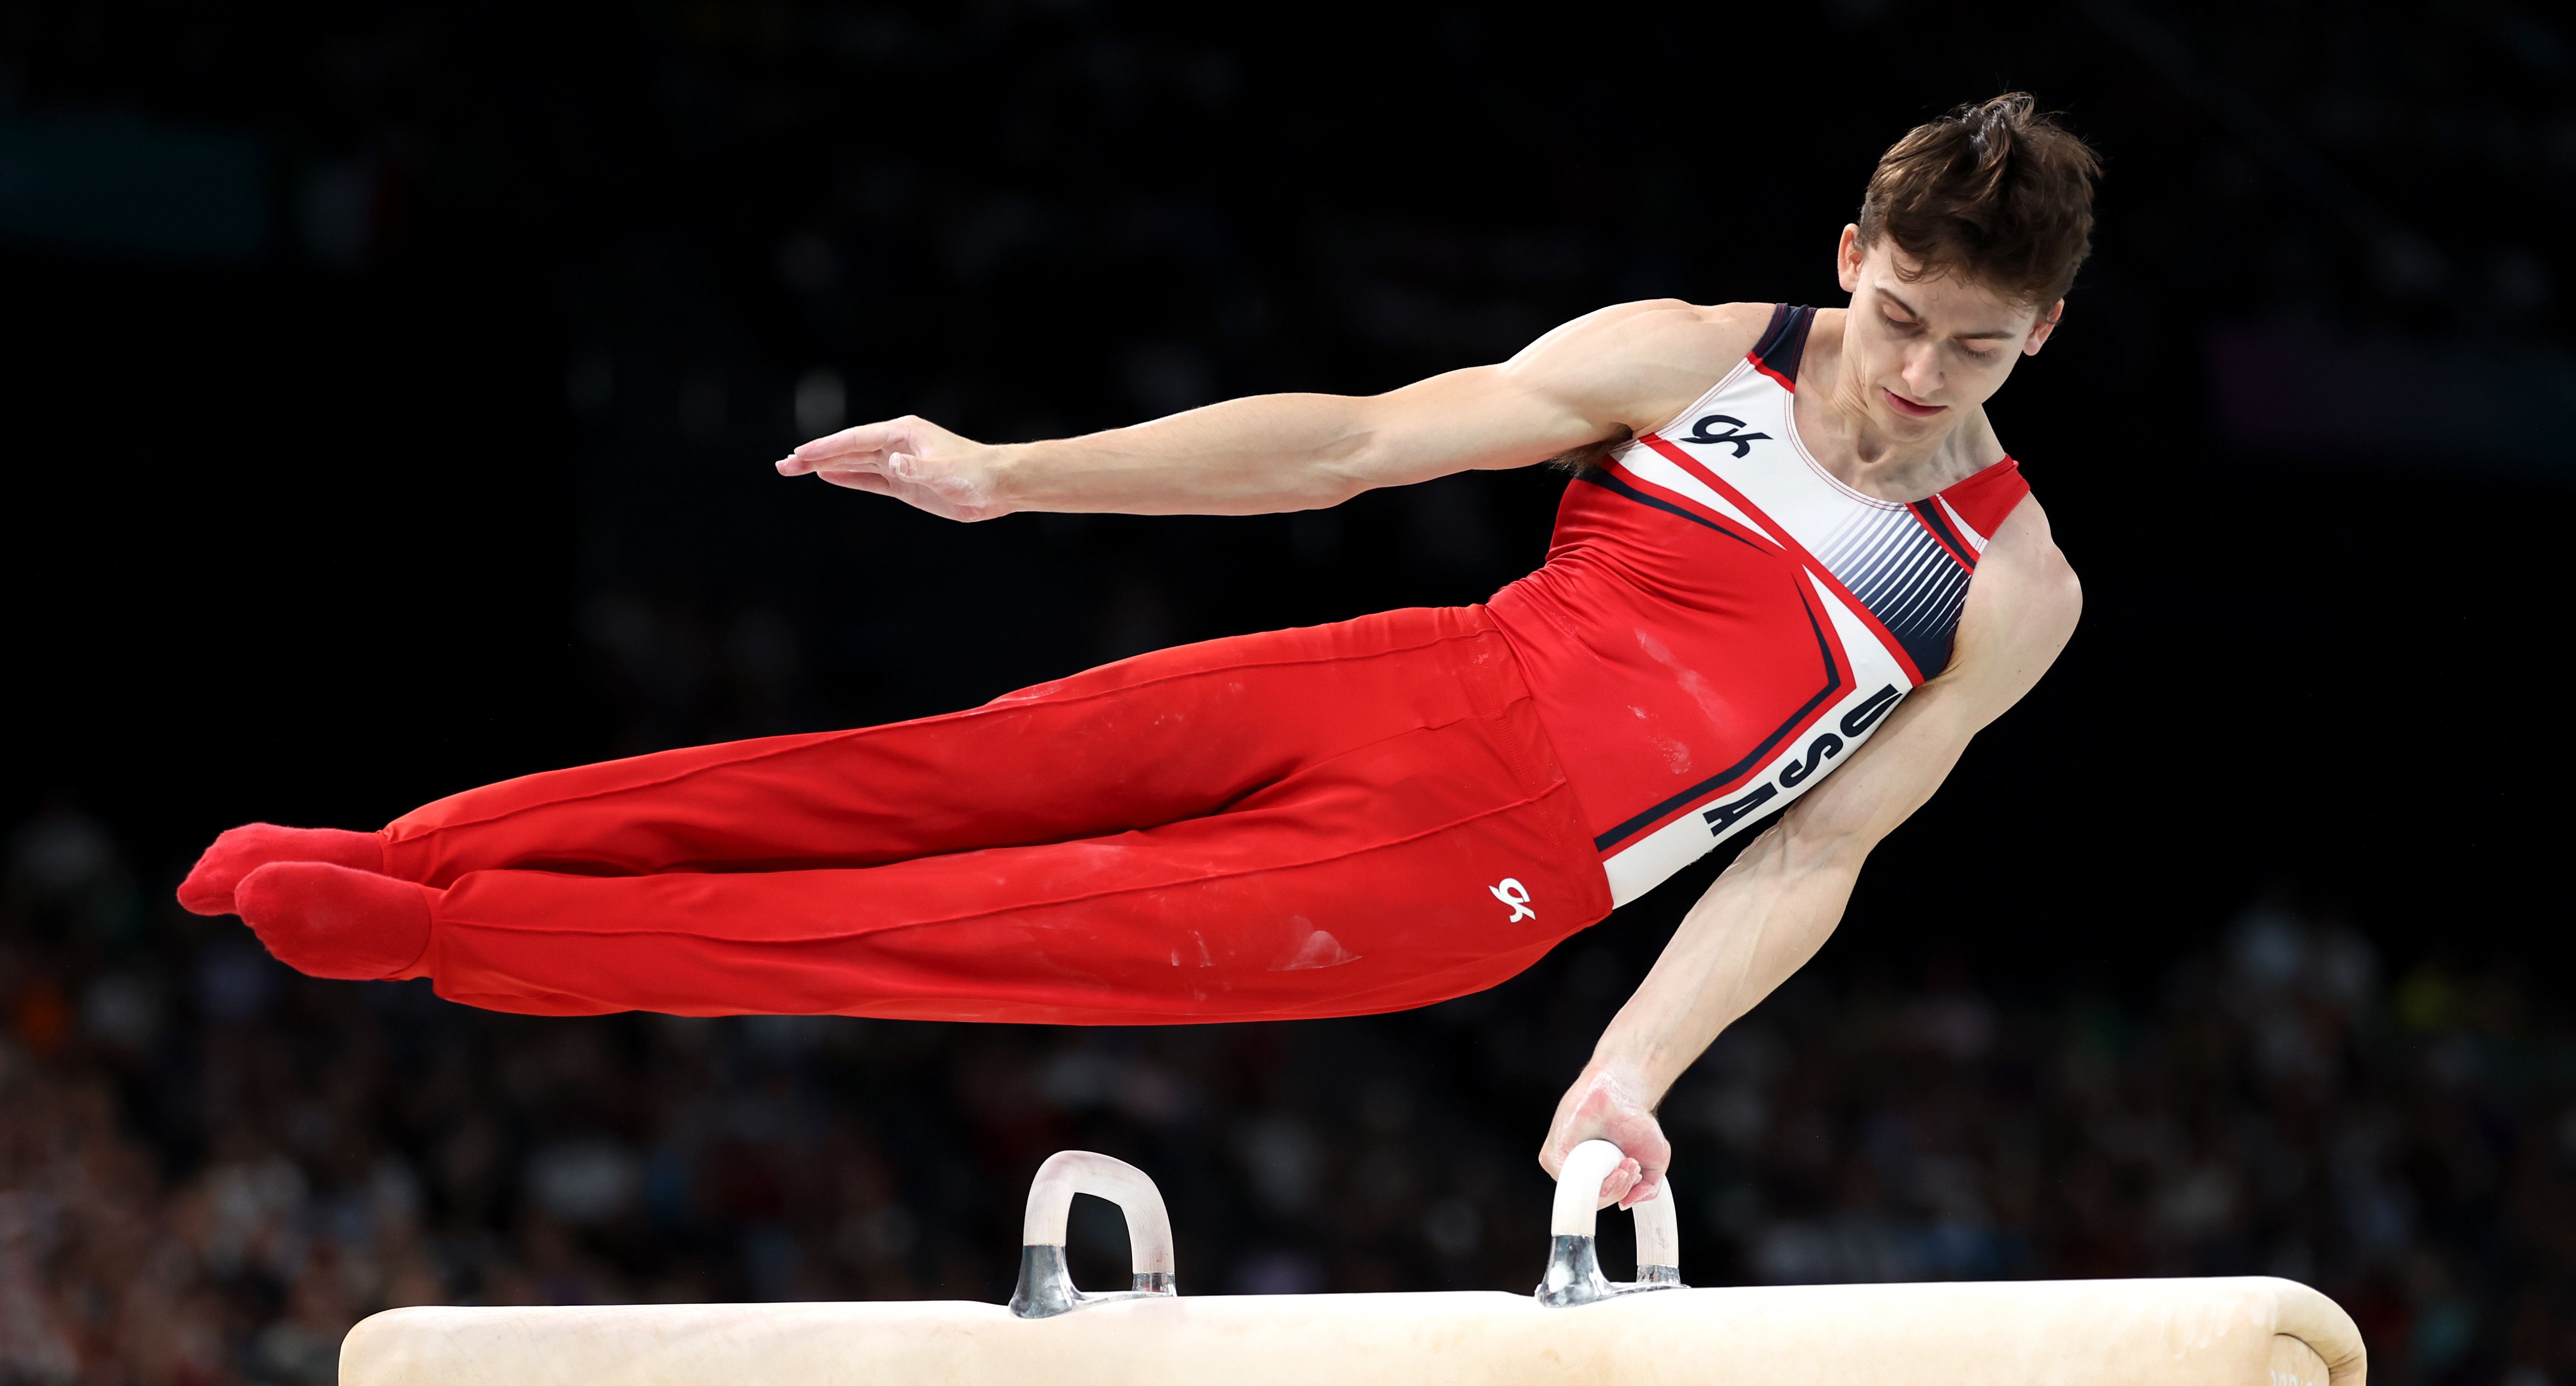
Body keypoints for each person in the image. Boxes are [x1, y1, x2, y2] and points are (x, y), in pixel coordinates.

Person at [182, 94, 2095, 1210]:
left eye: (1976, 349)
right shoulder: (1695, 355)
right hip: (1401, 670)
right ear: (1851, 250)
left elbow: (1812, 849)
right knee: (907, 775)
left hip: (1468, 872)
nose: (1917, 377)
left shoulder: (1996, 586)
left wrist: (1628, 1066)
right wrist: (1014, 475)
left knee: (945, 922)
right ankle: (420, 844)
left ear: (2046, 340)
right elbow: (1347, 442)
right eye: (1904, 313)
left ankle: (439, 935)